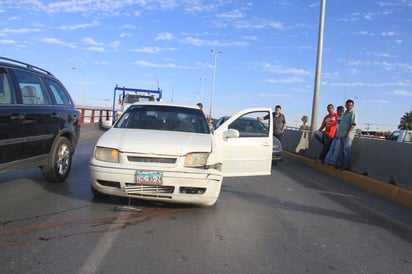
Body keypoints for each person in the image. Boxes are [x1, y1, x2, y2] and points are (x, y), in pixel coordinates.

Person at [328, 99, 358, 170]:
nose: (349, 106)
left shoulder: (353, 113)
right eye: (347, 105)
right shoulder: (345, 114)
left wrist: (348, 133)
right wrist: (338, 134)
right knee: (341, 151)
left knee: (346, 151)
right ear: (345, 105)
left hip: (347, 135)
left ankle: (345, 166)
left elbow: (353, 124)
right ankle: (340, 165)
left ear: (353, 106)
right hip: (341, 135)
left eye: (350, 105)